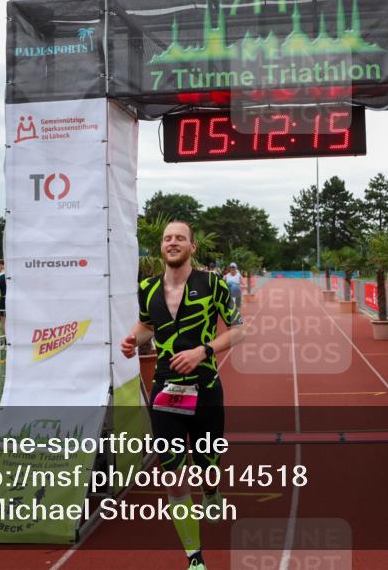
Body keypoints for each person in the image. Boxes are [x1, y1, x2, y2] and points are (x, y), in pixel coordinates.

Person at [121, 221, 245, 570]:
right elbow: (147, 324)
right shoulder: (147, 288)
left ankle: (211, 492)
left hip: (205, 391)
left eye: (179, 238)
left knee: (207, 467)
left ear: (192, 247)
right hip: (165, 392)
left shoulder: (214, 284)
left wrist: (203, 351)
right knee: (172, 473)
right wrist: (134, 339)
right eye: (167, 238)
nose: (172, 242)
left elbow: (239, 331)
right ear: (161, 247)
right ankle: (194, 557)